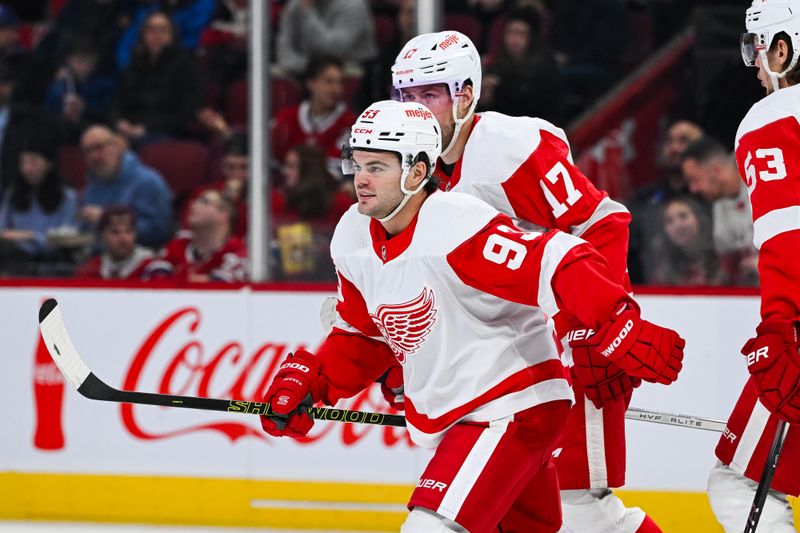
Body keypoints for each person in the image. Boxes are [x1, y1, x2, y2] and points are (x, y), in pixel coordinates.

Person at [258, 100, 685, 532]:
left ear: (417, 172)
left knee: (431, 528)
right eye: (357, 163)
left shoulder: (455, 227)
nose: (361, 179)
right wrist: (313, 385)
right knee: (588, 519)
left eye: (377, 166)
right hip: (466, 416)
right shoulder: (352, 236)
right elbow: (364, 335)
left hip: (511, 409)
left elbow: (556, 259)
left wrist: (616, 321)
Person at [390, 31, 663, 531]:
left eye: (429, 94)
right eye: (405, 96)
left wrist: (595, 331)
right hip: (507, 365)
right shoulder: (415, 170)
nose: (416, 109)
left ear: (465, 94)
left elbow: (602, 224)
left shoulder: (508, 149)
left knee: (583, 508)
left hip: (567, 348)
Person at [707, 1, 800, 530]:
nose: (757, 68)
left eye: (760, 51)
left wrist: (780, 326)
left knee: (737, 481)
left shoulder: (774, 115)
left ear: (783, 50)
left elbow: (790, 234)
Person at [626, 119, 704, 284]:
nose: (674, 148)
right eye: (669, 141)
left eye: (683, 141)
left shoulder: (711, 198)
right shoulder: (642, 199)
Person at [113, 10, 205, 145]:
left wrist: (146, 128)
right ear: (143, 34)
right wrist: (119, 121)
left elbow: (187, 111)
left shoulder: (186, 64)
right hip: (129, 128)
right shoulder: (135, 63)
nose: (157, 35)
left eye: (163, 30)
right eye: (151, 30)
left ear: (172, 34)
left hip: (166, 131)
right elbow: (117, 101)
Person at [682, 137, 759, 286]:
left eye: (694, 179)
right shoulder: (717, 205)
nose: (693, 189)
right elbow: (728, 262)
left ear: (717, 170)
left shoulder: (763, 178)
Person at [80, 125, 173, 248]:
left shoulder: (147, 181)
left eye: (99, 148)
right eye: (87, 152)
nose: (94, 157)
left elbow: (158, 231)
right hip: (99, 260)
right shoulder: (92, 186)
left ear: (117, 146)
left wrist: (108, 221)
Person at [271, 144, 353, 281]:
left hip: (332, 282)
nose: (285, 172)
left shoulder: (340, 204)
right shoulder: (279, 202)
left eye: (291, 166)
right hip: (286, 283)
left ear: (308, 169)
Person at [0, 135, 78, 269]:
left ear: (49, 164)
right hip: (13, 259)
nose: (27, 169)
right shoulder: (12, 194)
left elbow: (67, 237)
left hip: (53, 263)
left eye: (33, 162)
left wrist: (31, 236)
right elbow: (2, 229)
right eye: (23, 163)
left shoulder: (67, 197)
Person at [271, 55, 357, 174]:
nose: (336, 89)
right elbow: (272, 161)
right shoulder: (285, 118)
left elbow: (344, 168)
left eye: (340, 83)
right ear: (311, 83)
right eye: (329, 82)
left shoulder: (351, 124)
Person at [480, 6, 563, 123]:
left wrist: (501, 88)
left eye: (521, 33)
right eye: (511, 32)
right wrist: (486, 100)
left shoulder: (545, 65)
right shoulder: (498, 64)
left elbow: (538, 102)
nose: (514, 39)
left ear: (530, 38)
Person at [147, 188, 247, 283]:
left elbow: (223, 288)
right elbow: (153, 277)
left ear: (223, 216)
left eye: (203, 202)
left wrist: (180, 278)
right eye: (195, 201)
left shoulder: (237, 251)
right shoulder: (179, 244)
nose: (193, 205)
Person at [275, 0, 378, 77]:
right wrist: (307, 67)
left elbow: (332, 50)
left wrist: (307, 11)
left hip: (351, 74)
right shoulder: (297, 5)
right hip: (305, 71)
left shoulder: (354, 5)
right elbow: (284, 51)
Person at [648, 196, 723, 286]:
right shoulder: (662, 271)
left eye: (683, 216)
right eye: (669, 221)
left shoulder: (721, 256)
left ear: (699, 218)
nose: (678, 225)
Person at [75, 204, 156, 280]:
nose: (123, 238)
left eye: (128, 231)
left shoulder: (151, 268)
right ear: (101, 236)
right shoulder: (90, 270)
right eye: (115, 232)